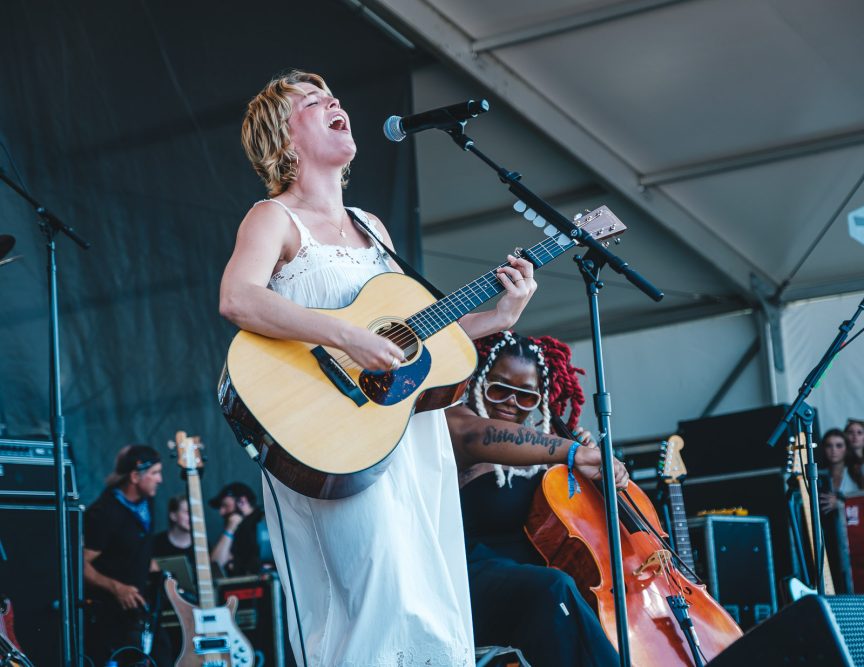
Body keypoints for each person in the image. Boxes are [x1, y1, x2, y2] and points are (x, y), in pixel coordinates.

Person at [219, 68, 549, 666]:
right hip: (331, 434)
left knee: (429, 597)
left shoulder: (373, 229)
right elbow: (239, 298)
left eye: (335, 97)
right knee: (375, 606)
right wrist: (346, 334)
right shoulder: (272, 217)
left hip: (404, 432)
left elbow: (415, 347)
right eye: (316, 102)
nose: (335, 102)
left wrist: (499, 317)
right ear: (283, 137)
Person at [445, 331, 624, 667]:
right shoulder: (455, 424)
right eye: (498, 389)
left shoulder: (548, 449)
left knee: (576, 593)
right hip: (467, 580)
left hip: (536, 582)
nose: (512, 402)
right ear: (476, 382)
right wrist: (570, 451)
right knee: (553, 588)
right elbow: (476, 435)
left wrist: (585, 468)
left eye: (526, 397)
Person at [83, 445, 171, 666]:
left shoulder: (147, 502)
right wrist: (116, 587)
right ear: (134, 476)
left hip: (140, 609)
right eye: (155, 473)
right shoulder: (103, 513)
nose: (160, 480)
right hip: (109, 615)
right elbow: (79, 563)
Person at [209, 482, 265, 575]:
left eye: (225, 505)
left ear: (242, 502)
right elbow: (216, 564)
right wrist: (229, 529)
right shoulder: (234, 529)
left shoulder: (265, 521)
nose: (221, 512)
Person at [819, 429, 859, 513]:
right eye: (829, 445)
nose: (833, 450)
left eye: (839, 445)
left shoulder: (857, 473)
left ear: (846, 448)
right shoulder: (818, 477)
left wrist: (840, 504)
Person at [152, 494, 194, 563]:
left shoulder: (203, 545)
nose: (192, 517)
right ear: (173, 516)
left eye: (194, 512)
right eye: (187, 512)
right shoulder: (156, 543)